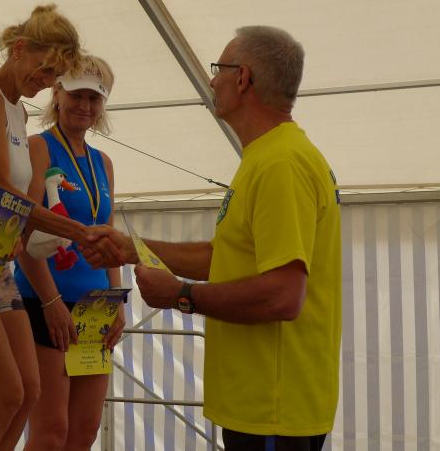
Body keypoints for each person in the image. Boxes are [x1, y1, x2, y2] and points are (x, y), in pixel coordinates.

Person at [87, 26, 342, 451]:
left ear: (242, 78)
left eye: (218, 69)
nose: (210, 80)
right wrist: (133, 248)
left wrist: (181, 295)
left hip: (273, 407)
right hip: (261, 404)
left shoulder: (281, 163)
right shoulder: (267, 156)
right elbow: (225, 256)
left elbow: (283, 295)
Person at [0, 5, 114, 451]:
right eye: (45, 71)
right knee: (9, 396)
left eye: (53, 75)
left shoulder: (17, 112)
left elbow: (12, 205)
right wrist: (75, 231)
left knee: (26, 394)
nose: (45, 81)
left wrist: (23, 237)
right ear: (18, 48)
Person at [14, 55, 125, 450]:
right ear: (57, 94)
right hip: (46, 300)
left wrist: (116, 301)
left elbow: (108, 236)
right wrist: (51, 301)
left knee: (85, 429)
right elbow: (22, 228)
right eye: (77, 95)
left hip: (95, 303)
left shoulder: (103, 163)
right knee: (51, 430)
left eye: (94, 98)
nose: (85, 106)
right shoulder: (39, 148)